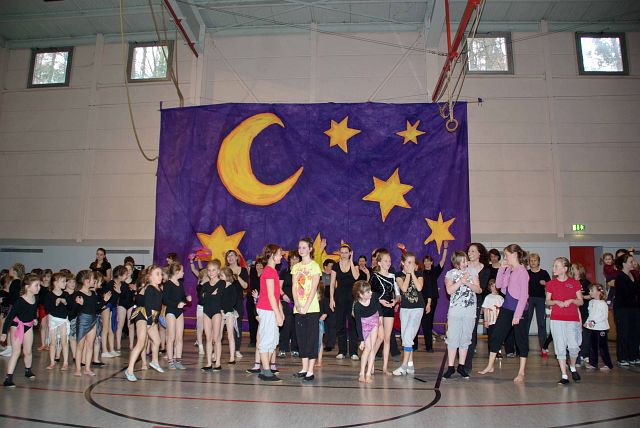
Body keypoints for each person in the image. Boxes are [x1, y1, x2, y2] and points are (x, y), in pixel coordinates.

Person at [478, 244, 529, 383]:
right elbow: (500, 286)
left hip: (519, 309)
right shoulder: (509, 269)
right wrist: (502, 269)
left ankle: (521, 372)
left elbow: (524, 296)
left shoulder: (522, 272)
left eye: (506, 254)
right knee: (496, 335)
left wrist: (517, 315)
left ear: (515, 255)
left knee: (521, 340)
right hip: (507, 307)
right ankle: (490, 365)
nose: (505, 257)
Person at [443, 251, 481, 379]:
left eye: (466, 260)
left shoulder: (473, 272)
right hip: (455, 312)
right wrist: (461, 281)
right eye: (463, 260)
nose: (466, 262)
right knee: (452, 339)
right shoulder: (450, 274)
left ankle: (461, 366)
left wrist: (468, 283)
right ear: (457, 262)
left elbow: (479, 289)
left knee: (466, 339)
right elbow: (449, 290)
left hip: (469, 311)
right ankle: (450, 367)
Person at [124, 265, 165, 381]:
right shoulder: (149, 288)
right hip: (143, 315)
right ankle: (129, 370)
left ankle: (154, 361)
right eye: (157, 274)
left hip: (151, 317)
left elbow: (157, 307)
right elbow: (148, 305)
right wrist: (149, 322)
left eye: (161, 274)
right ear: (149, 277)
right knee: (141, 343)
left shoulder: (159, 289)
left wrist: (154, 321)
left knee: (157, 341)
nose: (160, 276)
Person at [2, 273, 41, 388]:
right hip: (17, 326)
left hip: (28, 326)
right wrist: (4, 332)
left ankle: (28, 370)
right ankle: (8, 378)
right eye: (36, 285)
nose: (39, 288)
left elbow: (33, 311)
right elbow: (9, 317)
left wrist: (35, 318)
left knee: (28, 351)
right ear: (27, 287)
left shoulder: (35, 298)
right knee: (16, 352)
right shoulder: (20, 301)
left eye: (39, 285)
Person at [292, 237, 321, 382]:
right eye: (299, 247)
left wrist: (306, 307)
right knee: (301, 338)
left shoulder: (315, 266)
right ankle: (304, 368)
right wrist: (297, 305)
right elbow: (294, 287)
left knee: (311, 338)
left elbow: (314, 288)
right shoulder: (296, 267)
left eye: (304, 247)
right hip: (299, 308)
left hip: (312, 309)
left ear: (310, 249)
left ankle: (310, 370)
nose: (301, 250)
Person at [255, 244, 284, 382]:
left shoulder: (273, 271)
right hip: (267, 309)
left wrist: (281, 311)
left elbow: (276, 295)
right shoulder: (269, 271)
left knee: (273, 340)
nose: (281, 256)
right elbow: (271, 296)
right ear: (272, 255)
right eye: (279, 254)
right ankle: (266, 371)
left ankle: (265, 370)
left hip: (271, 309)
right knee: (266, 339)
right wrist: (277, 313)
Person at [74, 270, 111, 377]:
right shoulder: (78, 294)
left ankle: (87, 368)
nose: (94, 280)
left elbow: (96, 308)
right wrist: (79, 304)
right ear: (86, 281)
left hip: (93, 320)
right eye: (92, 279)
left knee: (90, 345)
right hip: (82, 321)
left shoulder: (93, 293)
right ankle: (78, 369)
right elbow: (73, 309)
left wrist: (104, 300)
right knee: (80, 346)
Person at [393, 252, 424, 376]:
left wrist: (412, 274)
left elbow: (419, 288)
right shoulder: (398, 275)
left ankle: (404, 366)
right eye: (409, 262)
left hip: (417, 308)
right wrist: (408, 274)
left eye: (413, 262)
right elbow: (404, 289)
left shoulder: (419, 274)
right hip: (405, 309)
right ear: (403, 263)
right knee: (406, 337)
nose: (412, 265)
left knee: (407, 336)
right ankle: (410, 365)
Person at [329, 243, 360, 360]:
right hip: (339, 298)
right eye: (342, 252)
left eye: (346, 252)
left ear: (350, 253)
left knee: (352, 325)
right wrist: (331, 298)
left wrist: (351, 261)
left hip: (352, 299)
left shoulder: (355, 264)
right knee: (340, 325)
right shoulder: (336, 266)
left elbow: (356, 277)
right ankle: (342, 351)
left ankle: (353, 352)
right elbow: (332, 283)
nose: (344, 255)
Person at [370, 249, 397, 375]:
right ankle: (370, 362)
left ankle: (385, 367)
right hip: (378, 308)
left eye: (389, 261)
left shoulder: (392, 276)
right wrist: (380, 301)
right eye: (385, 261)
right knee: (379, 337)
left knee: (387, 338)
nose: (388, 263)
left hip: (389, 308)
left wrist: (395, 301)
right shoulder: (374, 276)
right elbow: (370, 294)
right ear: (379, 263)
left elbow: (397, 294)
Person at [464, 243, 490, 371]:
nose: (470, 253)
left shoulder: (485, 270)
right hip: (461, 301)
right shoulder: (463, 266)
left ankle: (467, 364)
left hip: (475, 302)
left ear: (480, 253)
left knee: (471, 331)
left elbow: (481, 288)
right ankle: (460, 360)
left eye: (473, 251)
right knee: (461, 331)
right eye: (469, 251)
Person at [417, 244, 447, 352]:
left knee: (428, 323)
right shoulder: (420, 272)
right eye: (425, 261)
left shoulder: (435, 271)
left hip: (432, 300)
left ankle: (429, 346)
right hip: (421, 299)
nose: (427, 263)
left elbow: (442, 261)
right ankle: (414, 346)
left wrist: (445, 249)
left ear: (431, 262)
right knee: (418, 322)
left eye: (429, 261)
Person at [613, 253, 640, 367]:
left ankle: (634, 356)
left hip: (634, 308)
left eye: (633, 261)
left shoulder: (633, 274)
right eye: (630, 261)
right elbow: (627, 293)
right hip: (622, 309)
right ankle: (622, 357)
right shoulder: (620, 277)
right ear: (624, 264)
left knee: (635, 332)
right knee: (624, 333)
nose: (633, 263)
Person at [163, 262, 190, 370]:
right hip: (171, 311)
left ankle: (178, 361)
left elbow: (182, 297)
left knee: (179, 337)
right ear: (177, 272)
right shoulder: (168, 284)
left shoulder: (180, 283)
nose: (183, 273)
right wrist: (176, 304)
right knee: (171, 337)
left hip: (179, 312)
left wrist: (186, 298)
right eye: (182, 271)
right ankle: (170, 361)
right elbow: (165, 300)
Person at [353, 281, 381, 383]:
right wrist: (361, 340)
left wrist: (380, 319)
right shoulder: (357, 306)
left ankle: (368, 374)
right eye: (368, 292)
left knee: (372, 348)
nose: (371, 293)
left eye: (370, 291)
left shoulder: (373, 298)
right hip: (364, 323)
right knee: (367, 348)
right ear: (361, 295)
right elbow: (358, 324)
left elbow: (378, 307)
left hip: (374, 320)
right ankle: (361, 373)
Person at [43, 272, 72, 370]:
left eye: (65, 281)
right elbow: (47, 309)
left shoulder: (66, 294)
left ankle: (65, 362)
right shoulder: (49, 295)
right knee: (53, 342)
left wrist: (66, 302)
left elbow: (70, 307)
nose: (65, 283)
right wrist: (55, 303)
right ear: (55, 283)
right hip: (53, 319)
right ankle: (52, 362)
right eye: (63, 281)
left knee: (64, 341)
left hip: (63, 320)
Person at [525, 253, 551, 357]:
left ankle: (544, 347)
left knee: (541, 324)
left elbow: (552, 285)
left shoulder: (544, 273)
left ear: (538, 262)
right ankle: (524, 347)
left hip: (541, 299)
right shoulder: (526, 273)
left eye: (535, 260)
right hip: (529, 299)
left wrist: (546, 283)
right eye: (531, 261)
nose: (533, 262)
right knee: (526, 323)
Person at [200, 260, 223, 372]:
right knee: (208, 338)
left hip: (216, 312)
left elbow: (218, 297)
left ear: (218, 271)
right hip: (206, 311)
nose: (211, 272)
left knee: (216, 338)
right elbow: (202, 300)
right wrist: (211, 294)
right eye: (209, 270)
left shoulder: (221, 283)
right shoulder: (205, 285)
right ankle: (209, 363)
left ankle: (217, 363)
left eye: (213, 270)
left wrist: (207, 295)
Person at [225, 250, 248, 359]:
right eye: (228, 256)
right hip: (226, 301)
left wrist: (237, 276)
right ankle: (216, 349)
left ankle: (237, 349)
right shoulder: (225, 270)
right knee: (222, 325)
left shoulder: (243, 270)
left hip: (238, 301)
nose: (230, 258)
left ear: (237, 257)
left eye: (232, 256)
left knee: (238, 325)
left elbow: (245, 286)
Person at [584, 284, 613, 371]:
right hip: (593, 328)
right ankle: (593, 363)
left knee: (602, 347)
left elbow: (603, 316)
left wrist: (594, 321)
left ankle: (608, 364)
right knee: (592, 346)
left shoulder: (603, 304)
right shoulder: (591, 302)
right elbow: (590, 314)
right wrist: (587, 322)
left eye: (592, 290)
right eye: (590, 291)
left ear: (599, 292)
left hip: (601, 328)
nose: (590, 292)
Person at [0, 263, 26, 358]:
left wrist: (3, 300)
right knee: (11, 328)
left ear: (15, 271)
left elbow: (13, 297)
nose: (9, 270)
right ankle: (9, 348)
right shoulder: (19, 282)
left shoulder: (15, 282)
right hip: (15, 306)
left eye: (10, 269)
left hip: (14, 307)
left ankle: (11, 349)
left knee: (11, 328)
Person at [278, 252, 299, 357]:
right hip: (286, 301)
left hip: (298, 302)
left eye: (296, 258)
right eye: (292, 258)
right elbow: (278, 287)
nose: (294, 261)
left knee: (296, 325)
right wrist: (283, 295)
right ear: (289, 260)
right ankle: (283, 348)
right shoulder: (284, 272)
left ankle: (295, 348)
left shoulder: (302, 272)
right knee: (285, 324)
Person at [571, 262, 591, 365]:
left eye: (573, 268)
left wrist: (582, 297)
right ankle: (576, 354)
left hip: (584, 309)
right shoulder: (570, 282)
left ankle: (585, 353)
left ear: (579, 270)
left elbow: (591, 295)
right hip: (573, 310)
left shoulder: (585, 282)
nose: (572, 270)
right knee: (575, 332)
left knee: (585, 331)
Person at [220, 267, 239, 364]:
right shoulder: (219, 286)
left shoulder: (232, 287)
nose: (220, 277)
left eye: (221, 275)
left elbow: (233, 301)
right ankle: (215, 354)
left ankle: (232, 357)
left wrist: (225, 310)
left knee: (230, 335)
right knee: (218, 335)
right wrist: (220, 310)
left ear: (227, 276)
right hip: (220, 312)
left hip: (229, 313)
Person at [482, 279, 503, 352]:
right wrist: (486, 321)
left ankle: (498, 351)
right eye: (492, 286)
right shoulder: (488, 297)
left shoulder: (500, 298)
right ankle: (491, 351)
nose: (494, 288)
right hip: (491, 321)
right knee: (491, 337)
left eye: (495, 286)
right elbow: (485, 309)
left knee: (499, 337)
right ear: (489, 287)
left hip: (499, 321)